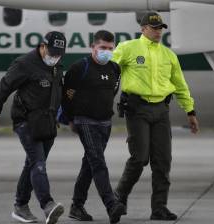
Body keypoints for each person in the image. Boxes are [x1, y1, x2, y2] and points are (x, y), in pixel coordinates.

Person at [112, 12, 199, 220]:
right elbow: (109, 71)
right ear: (143, 29)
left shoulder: (169, 55)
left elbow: (180, 86)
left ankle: (159, 207)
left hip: (161, 111)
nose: (158, 31)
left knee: (162, 161)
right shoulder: (127, 48)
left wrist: (190, 111)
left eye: (160, 28)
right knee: (139, 158)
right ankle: (119, 197)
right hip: (137, 109)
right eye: (154, 28)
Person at [0, 31, 66, 224]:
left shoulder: (57, 66)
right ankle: (48, 205)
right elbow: (4, 87)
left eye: (59, 54)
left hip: (47, 122)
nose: (54, 57)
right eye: (52, 52)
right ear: (42, 46)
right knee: (38, 163)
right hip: (26, 121)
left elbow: (57, 93)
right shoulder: (24, 64)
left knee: (32, 163)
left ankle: (20, 206)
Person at [62, 30, 125, 224]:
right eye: (102, 48)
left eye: (110, 48)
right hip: (85, 121)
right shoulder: (80, 67)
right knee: (98, 161)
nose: (106, 51)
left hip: (105, 122)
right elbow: (66, 96)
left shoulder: (115, 68)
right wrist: (71, 120)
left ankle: (76, 206)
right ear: (93, 47)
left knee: (89, 163)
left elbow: (112, 91)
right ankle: (111, 204)